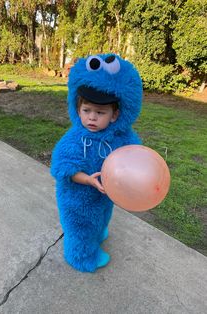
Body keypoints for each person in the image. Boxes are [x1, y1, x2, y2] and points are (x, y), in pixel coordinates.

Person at [50, 54, 142, 272]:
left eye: (100, 112)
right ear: (78, 108)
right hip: (77, 198)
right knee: (80, 229)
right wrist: (86, 179)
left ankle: (98, 233)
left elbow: (134, 155)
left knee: (101, 218)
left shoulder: (121, 136)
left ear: (114, 115)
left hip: (103, 196)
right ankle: (81, 257)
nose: (91, 117)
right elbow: (61, 167)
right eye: (86, 111)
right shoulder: (75, 138)